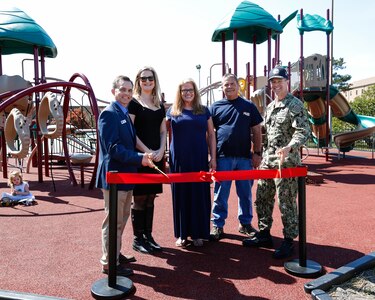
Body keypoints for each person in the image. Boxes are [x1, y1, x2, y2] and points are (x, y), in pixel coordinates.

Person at [242, 66, 311, 259]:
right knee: (262, 198)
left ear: (287, 82)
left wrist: (290, 146)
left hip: (286, 163)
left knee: (286, 202)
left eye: (279, 81)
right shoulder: (271, 107)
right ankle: (264, 234)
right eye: (273, 81)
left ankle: (289, 241)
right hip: (268, 161)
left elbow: (303, 131)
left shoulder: (295, 105)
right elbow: (268, 135)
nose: (276, 84)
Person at [96, 75, 154, 276]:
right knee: (113, 221)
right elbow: (113, 149)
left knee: (121, 219)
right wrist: (139, 158)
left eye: (130, 91)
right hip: (115, 178)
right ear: (114, 91)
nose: (127, 94)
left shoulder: (124, 113)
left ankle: (115, 254)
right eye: (123, 90)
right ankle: (108, 262)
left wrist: (140, 157)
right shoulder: (109, 114)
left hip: (126, 178)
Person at [209, 73, 263, 241]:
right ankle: (217, 225)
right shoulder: (215, 107)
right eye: (226, 84)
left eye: (232, 83)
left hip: (244, 158)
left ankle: (245, 223)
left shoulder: (249, 106)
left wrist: (257, 153)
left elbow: (256, 130)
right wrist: (212, 157)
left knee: (245, 193)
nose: (229, 87)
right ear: (222, 87)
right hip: (223, 157)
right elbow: (209, 133)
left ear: (238, 86)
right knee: (220, 194)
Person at [166, 78, 216, 247]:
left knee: (198, 196)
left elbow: (211, 134)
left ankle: (198, 233)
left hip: (199, 158)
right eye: (184, 90)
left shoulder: (203, 111)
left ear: (195, 92)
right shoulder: (172, 111)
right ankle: (182, 234)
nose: (187, 93)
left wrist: (213, 158)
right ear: (179, 93)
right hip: (179, 160)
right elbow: (161, 133)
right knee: (181, 195)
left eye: (190, 90)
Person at [128, 66, 167, 254]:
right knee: (140, 198)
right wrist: (146, 152)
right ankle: (138, 238)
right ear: (138, 81)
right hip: (142, 158)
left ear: (155, 80)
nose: (147, 81)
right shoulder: (133, 103)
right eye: (143, 79)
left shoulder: (159, 103)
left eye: (150, 78)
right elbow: (131, 132)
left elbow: (163, 131)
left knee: (151, 198)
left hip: (157, 157)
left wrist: (161, 149)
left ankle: (148, 236)